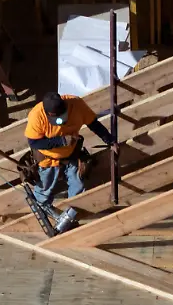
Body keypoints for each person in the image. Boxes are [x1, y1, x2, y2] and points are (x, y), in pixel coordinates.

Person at [24, 90, 116, 223]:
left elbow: (93, 124)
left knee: (78, 185)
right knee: (44, 189)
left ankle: (71, 216)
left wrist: (110, 141)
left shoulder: (77, 105)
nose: (60, 123)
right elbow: (34, 142)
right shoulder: (37, 115)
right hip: (48, 158)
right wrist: (61, 141)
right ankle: (43, 208)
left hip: (71, 153)